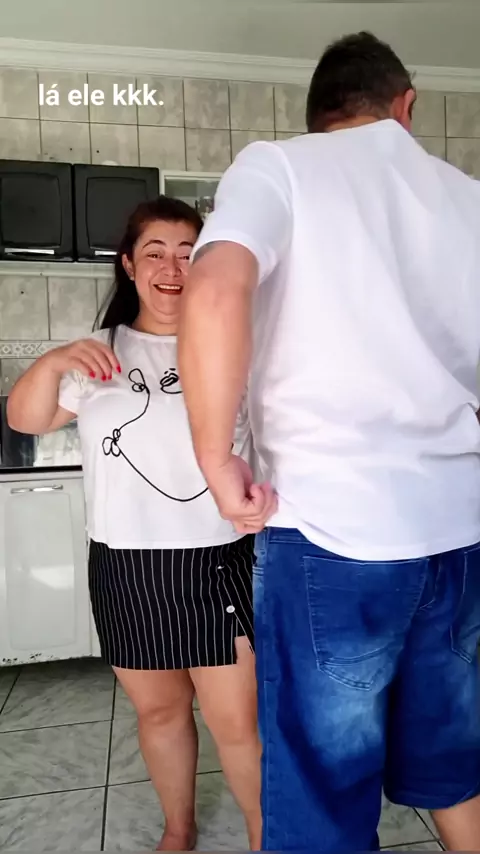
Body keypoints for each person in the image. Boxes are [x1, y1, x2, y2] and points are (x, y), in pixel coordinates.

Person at [177, 31, 480, 853]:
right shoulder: (468, 199)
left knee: (322, 792)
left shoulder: (280, 165)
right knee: (453, 759)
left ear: (319, 115)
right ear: (405, 106)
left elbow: (213, 289)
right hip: (460, 533)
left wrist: (215, 456)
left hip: (335, 533)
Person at [7, 196, 261, 851]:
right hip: (126, 565)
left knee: (238, 723)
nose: (172, 268)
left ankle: (268, 836)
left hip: (219, 558)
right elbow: (26, 419)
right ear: (128, 264)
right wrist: (53, 362)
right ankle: (179, 827)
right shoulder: (102, 352)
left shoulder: (236, 346)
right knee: (160, 710)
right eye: (155, 252)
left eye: (188, 254)